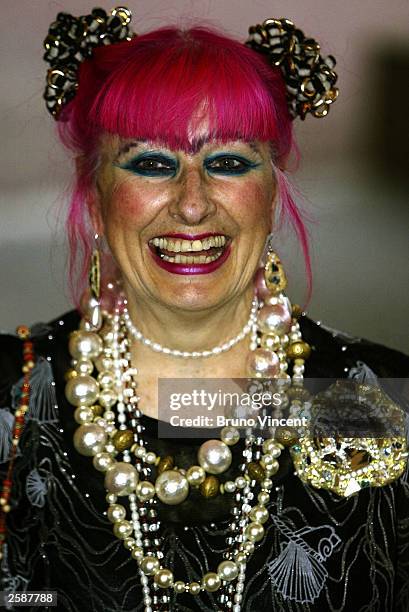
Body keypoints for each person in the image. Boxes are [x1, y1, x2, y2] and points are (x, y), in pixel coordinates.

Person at [1, 7, 409, 612]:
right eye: (150, 164)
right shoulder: (12, 395)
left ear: (271, 195)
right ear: (94, 196)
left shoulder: (378, 398)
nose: (192, 205)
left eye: (228, 162)